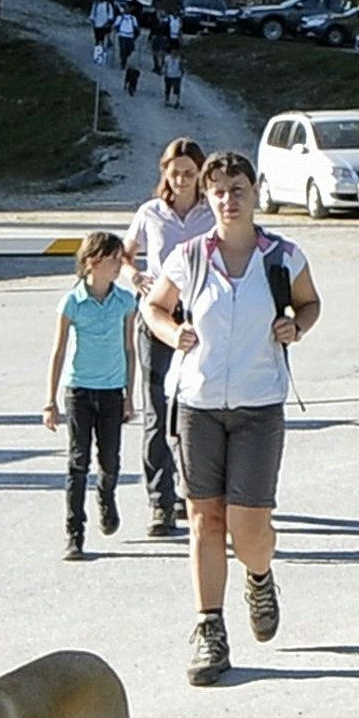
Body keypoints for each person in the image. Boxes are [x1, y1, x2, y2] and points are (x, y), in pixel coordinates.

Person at [139, 149, 320, 685]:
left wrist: (297, 327)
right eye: (217, 190)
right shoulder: (191, 256)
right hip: (196, 404)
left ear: (254, 191)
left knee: (248, 529)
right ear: (208, 197)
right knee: (205, 520)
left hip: (258, 404)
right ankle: (209, 629)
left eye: (236, 188)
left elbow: (309, 304)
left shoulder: (282, 256)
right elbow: (155, 306)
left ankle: (259, 576)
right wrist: (173, 333)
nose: (227, 198)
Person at [123, 139, 211, 539]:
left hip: (199, 318)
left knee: (193, 406)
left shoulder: (211, 213)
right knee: (157, 409)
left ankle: (196, 492)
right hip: (158, 317)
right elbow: (125, 253)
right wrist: (134, 276)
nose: (181, 181)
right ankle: (160, 501)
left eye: (189, 173)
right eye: (174, 173)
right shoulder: (150, 213)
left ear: (200, 175)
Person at [44, 232, 139, 560]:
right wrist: (50, 401)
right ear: (93, 262)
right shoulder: (72, 302)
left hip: (112, 391)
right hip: (79, 390)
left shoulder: (125, 301)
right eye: (114, 260)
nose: (119, 266)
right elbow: (57, 352)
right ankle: (74, 532)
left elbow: (130, 349)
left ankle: (106, 495)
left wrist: (129, 395)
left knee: (109, 459)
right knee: (77, 462)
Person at [154, 16, 185, 110]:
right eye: (172, 51)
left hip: (177, 75)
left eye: (175, 51)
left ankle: (176, 101)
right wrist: (163, 70)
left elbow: (181, 66)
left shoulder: (179, 59)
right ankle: (167, 100)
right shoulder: (167, 58)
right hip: (169, 75)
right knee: (168, 88)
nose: (174, 53)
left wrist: (182, 72)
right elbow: (165, 65)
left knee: (176, 89)